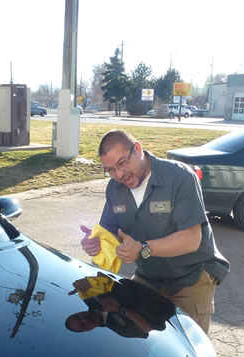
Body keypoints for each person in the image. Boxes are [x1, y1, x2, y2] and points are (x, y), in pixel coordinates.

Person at [80, 129, 229, 333]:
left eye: (122, 163)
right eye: (110, 170)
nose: (120, 174)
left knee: (187, 351)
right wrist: (95, 243)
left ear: (138, 149)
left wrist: (142, 249)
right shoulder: (115, 188)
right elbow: (110, 233)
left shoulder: (179, 177)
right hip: (149, 277)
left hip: (190, 277)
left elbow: (191, 240)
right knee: (136, 339)